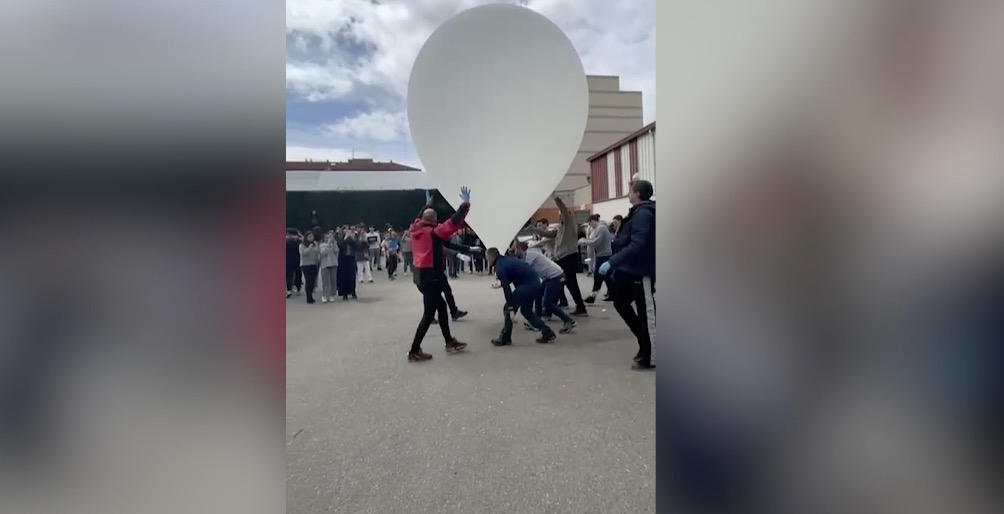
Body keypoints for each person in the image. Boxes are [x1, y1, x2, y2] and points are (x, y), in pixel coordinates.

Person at [406, 187, 474, 362]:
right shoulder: (434, 233)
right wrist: (465, 204)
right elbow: (453, 222)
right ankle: (414, 350)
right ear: (434, 219)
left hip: (420, 276)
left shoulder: (415, 227)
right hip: (431, 277)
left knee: (441, 307)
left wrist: (428, 204)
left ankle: (449, 341)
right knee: (429, 314)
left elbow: (422, 215)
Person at [598, 179, 656, 370]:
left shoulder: (644, 214)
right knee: (620, 302)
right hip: (628, 272)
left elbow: (637, 245)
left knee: (646, 312)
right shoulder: (636, 214)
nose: (628, 193)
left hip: (641, 272)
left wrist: (612, 262)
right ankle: (644, 341)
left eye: (630, 190)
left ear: (637, 194)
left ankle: (650, 354)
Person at [529, 197, 588, 316]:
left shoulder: (570, 225)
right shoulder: (560, 228)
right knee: (566, 283)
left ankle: (549, 308)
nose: (560, 216)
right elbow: (549, 234)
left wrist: (557, 200)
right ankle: (576, 307)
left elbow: (565, 212)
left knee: (556, 281)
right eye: (559, 215)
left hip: (568, 257)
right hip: (562, 258)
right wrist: (535, 229)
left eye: (561, 215)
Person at [487, 247, 557, 345]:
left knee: (507, 308)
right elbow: (514, 275)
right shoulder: (506, 260)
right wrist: (501, 283)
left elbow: (507, 290)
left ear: (491, 257)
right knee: (526, 310)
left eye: (487, 258)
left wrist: (511, 309)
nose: (488, 261)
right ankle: (547, 332)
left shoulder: (500, 267)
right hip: (535, 283)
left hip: (527, 286)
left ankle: (505, 337)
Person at [514, 241, 576, 333]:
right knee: (538, 295)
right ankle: (537, 321)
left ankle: (568, 320)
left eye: (515, 249)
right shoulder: (526, 255)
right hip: (548, 278)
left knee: (547, 303)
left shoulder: (530, 254)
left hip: (555, 276)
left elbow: (523, 268)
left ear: (520, 249)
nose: (514, 251)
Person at [581, 214, 614, 303]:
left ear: (592, 221)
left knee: (600, 276)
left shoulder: (601, 228)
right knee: (605, 277)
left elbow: (596, 242)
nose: (590, 225)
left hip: (604, 255)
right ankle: (612, 294)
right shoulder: (600, 228)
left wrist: (584, 241)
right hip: (603, 255)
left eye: (590, 223)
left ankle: (593, 296)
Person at [336, 228, 358, 300]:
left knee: (352, 276)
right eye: (345, 231)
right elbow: (340, 246)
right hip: (343, 260)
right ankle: (345, 294)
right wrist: (345, 239)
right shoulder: (340, 239)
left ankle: (353, 292)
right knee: (343, 277)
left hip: (351, 259)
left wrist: (353, 238)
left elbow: (358, 246)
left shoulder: (352, 240)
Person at [298, 232, 321, 304]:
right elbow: (304, 253)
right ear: (306, 237)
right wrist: (310, 247)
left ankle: (311, 295)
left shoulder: (315, 244)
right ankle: (308, 297)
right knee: (308, 281)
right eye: (309, 237)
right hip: (305, 265)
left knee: (312, 281)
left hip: (314, 264)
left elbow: (318, 251)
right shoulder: (302, 245)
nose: (311, 238)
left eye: (312, 236)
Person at [319, 231, 340, 303]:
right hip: (325, 265)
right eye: (326, 237)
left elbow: (336, 251)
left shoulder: (334, 244)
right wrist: (328, 244)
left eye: (329, 237)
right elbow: (323, 253)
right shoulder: (322, 245)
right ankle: (325, 295)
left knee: (333, 281)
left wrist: (334, 243)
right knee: (326, 281)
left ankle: (331, 295)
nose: (328, 239)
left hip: (333, 264)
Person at [285, 228, 303, 298]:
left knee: (289, 275)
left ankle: (289, 289)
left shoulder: (286, 241)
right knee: (298, 274)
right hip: (297, 259)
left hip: (288, 260)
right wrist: (299, 234)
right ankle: (298, 288)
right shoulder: (298, 241)